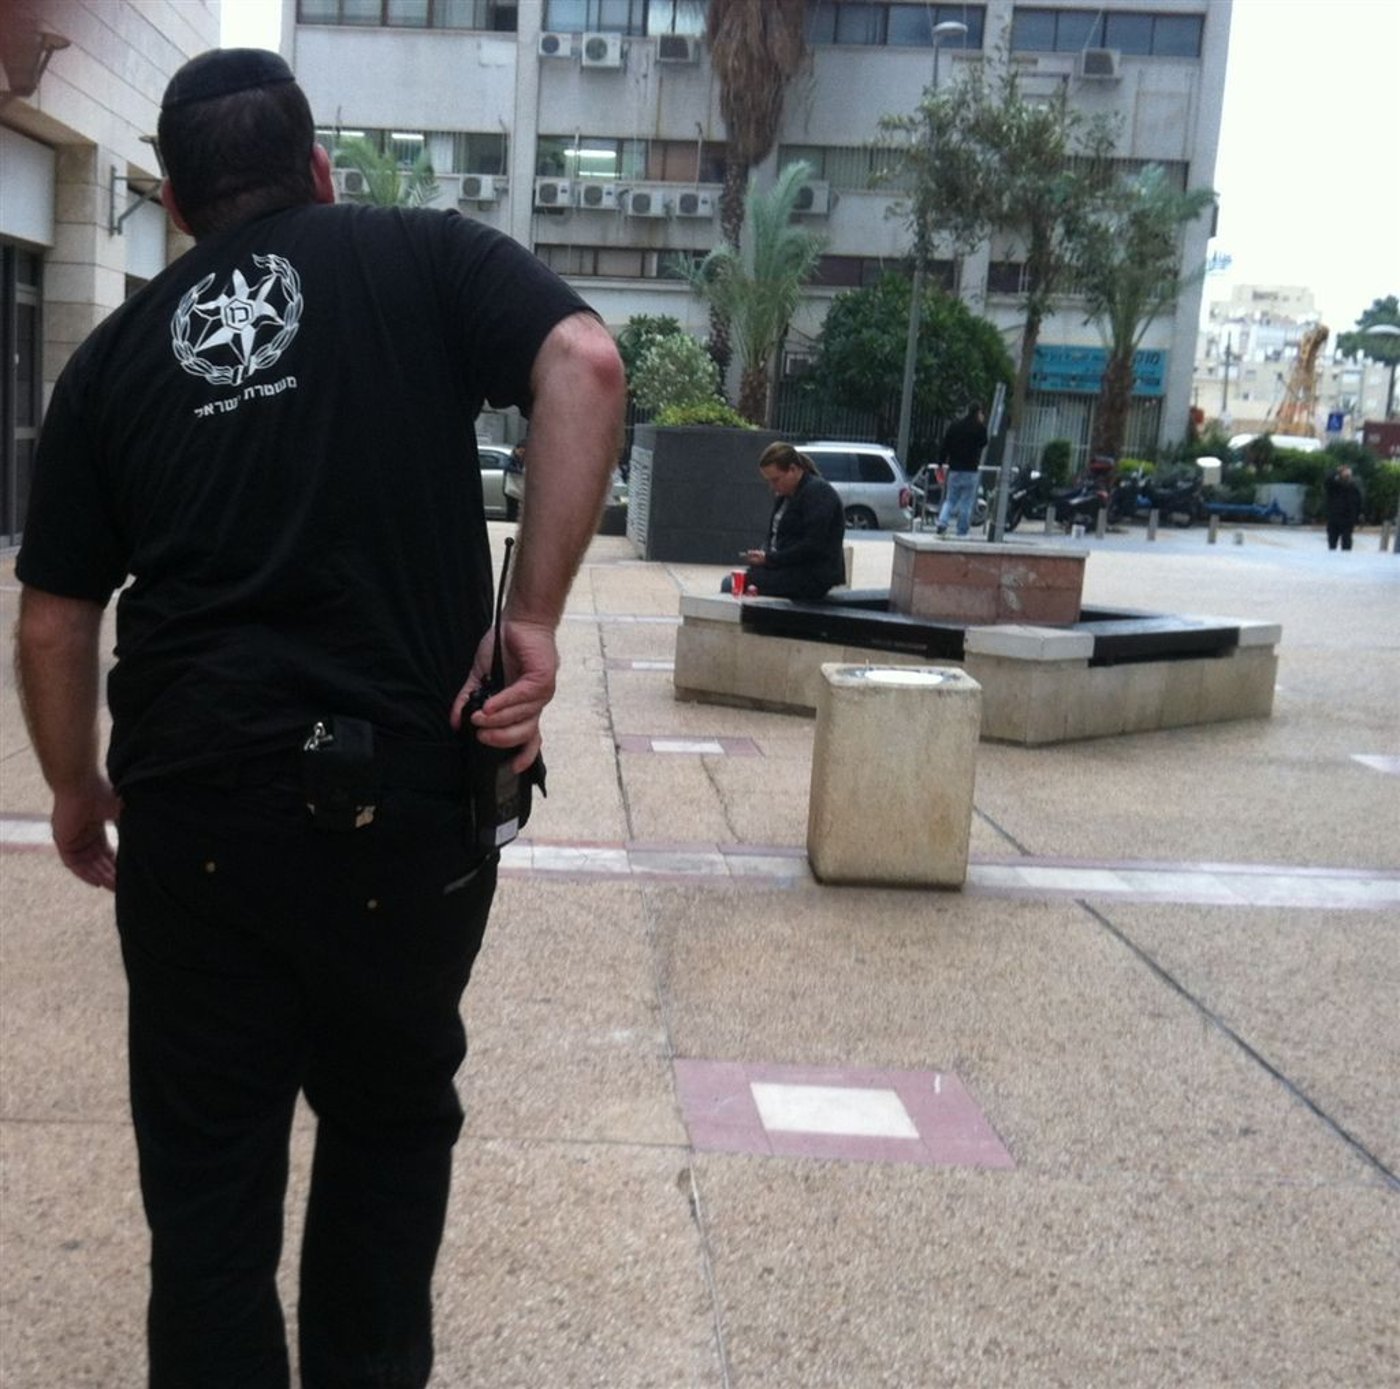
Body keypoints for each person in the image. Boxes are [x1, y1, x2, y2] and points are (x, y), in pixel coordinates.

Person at [13, 48, 624, 1389]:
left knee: (208, 1190)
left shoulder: (110, 364)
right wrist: (530, 618)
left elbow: (55, 619)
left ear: (177, 203)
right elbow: (584, 361)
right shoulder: (423, 256)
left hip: (197, 819)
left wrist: (73, 785)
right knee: (388, 1135)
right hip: (409, 806)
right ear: (320, 171)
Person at [720, 441, 845, 599]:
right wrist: (764, 555)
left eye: (775, 480)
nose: (772, 486)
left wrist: (769, 559)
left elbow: (813, 545)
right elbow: (777, 536)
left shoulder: (818, 492)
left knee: (731, 584)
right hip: (786, 569)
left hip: (810, 574)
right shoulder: (785, 496)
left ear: (793, 469)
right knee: (737, 580)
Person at [935, 402, 988, 537]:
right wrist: (981, 424)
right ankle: (962, 530)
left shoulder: (955, 426)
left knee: (950, 499)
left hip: (954, 470)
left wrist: (940, 463)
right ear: (978, 413)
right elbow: (984, 442)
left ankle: (942, 522)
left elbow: (945, 446)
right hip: (971, 470)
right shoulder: (979, 428)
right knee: (966, 502)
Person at [1323, 464, 1363, 551]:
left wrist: (1359, 515)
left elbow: (1358, 502)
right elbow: (1327, 481)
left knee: (1346, 542)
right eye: (1345, 473)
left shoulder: (1353, 487)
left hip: (1348, 519)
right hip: (1334, 517)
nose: (1347, 475)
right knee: (1332, 542)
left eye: (1348, 474)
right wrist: (1337, 471)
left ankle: (1346, 558)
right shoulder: (1334, 486)